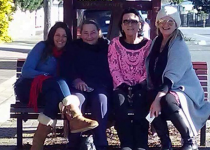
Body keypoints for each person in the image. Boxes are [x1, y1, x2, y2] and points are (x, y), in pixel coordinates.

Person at [13, 22, 99, 150]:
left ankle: (37, 144)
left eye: (64, 36)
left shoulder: (67, 54)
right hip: (28, 88)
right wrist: (46, 75)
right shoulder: (42, 47)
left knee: (53, 97)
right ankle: (75, 117)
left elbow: (68, 76)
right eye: (57, 35)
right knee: (56, 81)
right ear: (52, 36)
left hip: (49, 92)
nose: (60, 38)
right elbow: (26, 71)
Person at [147, 6, 210, 150]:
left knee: (167, 100)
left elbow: (172, 77)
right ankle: (166, 143)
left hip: (183, 89)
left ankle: (189, 140)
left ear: (176, 24)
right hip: (164, 88)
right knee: (148, 97)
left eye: (170, 21)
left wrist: (158, 98)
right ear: (157, 23)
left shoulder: (179, 44)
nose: (166, 24)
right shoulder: (156, 42)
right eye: (163, 21)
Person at [108, 8, 152, 150]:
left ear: (140, 24)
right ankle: (126, 143)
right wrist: (122, 84)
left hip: (141, 86)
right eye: (125, 21)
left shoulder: (148, 45)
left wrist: (140, 83)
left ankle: (141, 144)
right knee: (120, 104)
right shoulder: (115, 44)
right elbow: (113, 66)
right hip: (120, 86)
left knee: (141, 102)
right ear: (121, 25)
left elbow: (148, 67)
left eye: (133, 21)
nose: (129, 24)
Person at [66, 20, 113, 150]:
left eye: (92, 32)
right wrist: (76, 80)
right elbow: (67, 68)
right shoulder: (73, 47)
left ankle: (101, 143)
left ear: (98, 32)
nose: (89, 36)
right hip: (79, 86)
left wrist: (103, 84)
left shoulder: (107, 46)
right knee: (76, 102)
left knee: (101, 100)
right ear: (80, 33)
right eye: (85, 33)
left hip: (100, 86)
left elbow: (112, 69)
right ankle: (73, 143)